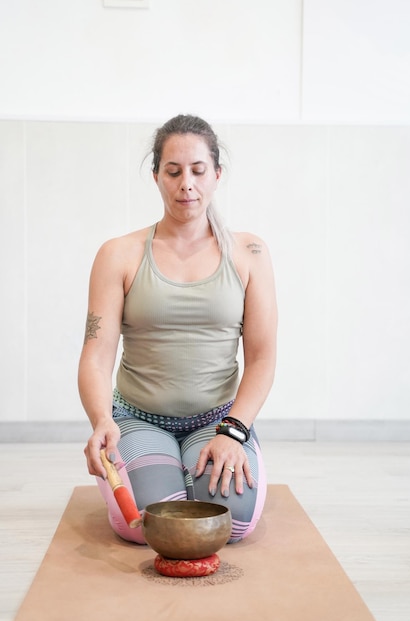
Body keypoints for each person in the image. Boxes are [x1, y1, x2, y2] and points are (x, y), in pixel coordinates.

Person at [78, 114, 277, 544]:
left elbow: (262, 357)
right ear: (156, 177)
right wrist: (100, 421)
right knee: (150, 525)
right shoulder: (118, 254)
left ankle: (203, 462)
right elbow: (96, 354)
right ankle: (166, 466)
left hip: (219, 420)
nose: (186, 183)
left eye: (198, 170)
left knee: (232, 522)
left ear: (217, 174)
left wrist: (233, 431)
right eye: (173, 171)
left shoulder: (251, 253)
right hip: (137, 418)